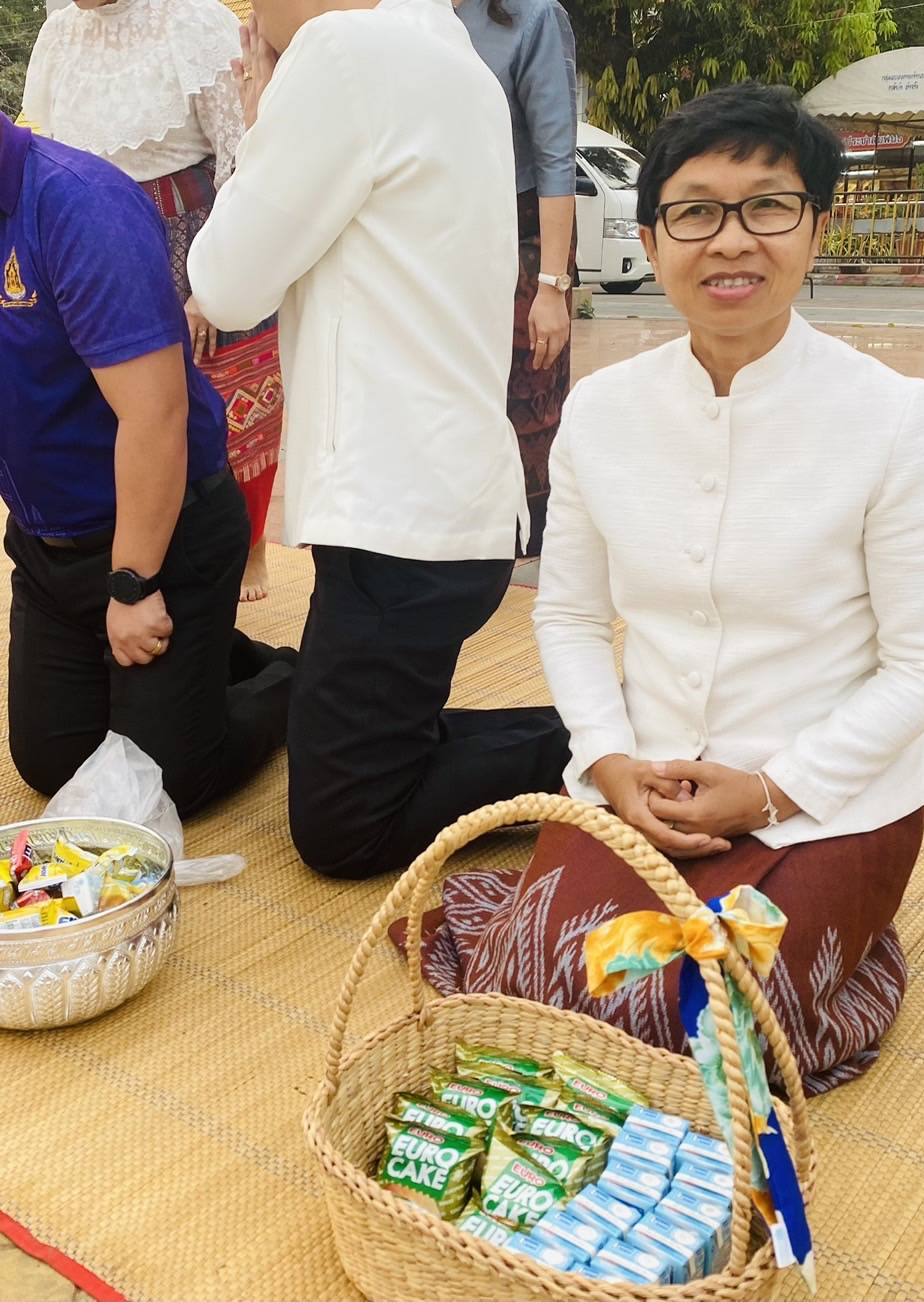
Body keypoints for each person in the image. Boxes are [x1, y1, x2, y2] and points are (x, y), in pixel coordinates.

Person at [419, 84, 924, 1095]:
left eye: (767, 206)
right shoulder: (604, 413)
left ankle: (853, 941)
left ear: (816, 228)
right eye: (695, 210)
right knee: (548, 985)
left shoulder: (889, 419)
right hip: (652, 777)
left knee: (700, 1023)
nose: (731, 241)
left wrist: (773, 787)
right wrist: (610, 760)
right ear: (650, 234)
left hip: (832, 795)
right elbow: (575, 615)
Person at [188, 0, 570, 880]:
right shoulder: (456, 59)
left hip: (399, 525)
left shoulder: (346, 51)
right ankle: (591, 734)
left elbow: (227, 284)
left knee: (343, 831)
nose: (249, 16)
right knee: (360, 745)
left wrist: (257, 121)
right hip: (437, 502)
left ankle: (595, 749)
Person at [0, 112, 294, 814]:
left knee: (162, 783)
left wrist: (132, 586)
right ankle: (214, 655)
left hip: (165, 534)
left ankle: (293, 680)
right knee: (52, 762)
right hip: (49, 549)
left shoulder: (76, 203)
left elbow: (156, 416)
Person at [23, 0, 285, 600]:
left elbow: (242, 154)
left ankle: (248, 550)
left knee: (224, 401)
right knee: (116, 406)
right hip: (90, 244)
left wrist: (208, 286)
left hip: (190, 232)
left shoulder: (196, 20)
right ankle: (138, 555)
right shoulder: (59, 33)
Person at [454, 0, 578, 555]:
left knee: (527, 399)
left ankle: (527, 550)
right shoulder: (400, 15)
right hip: (440, 238)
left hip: (524, 236)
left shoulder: (532, 17)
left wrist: (551, 287)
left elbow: (556, 161)